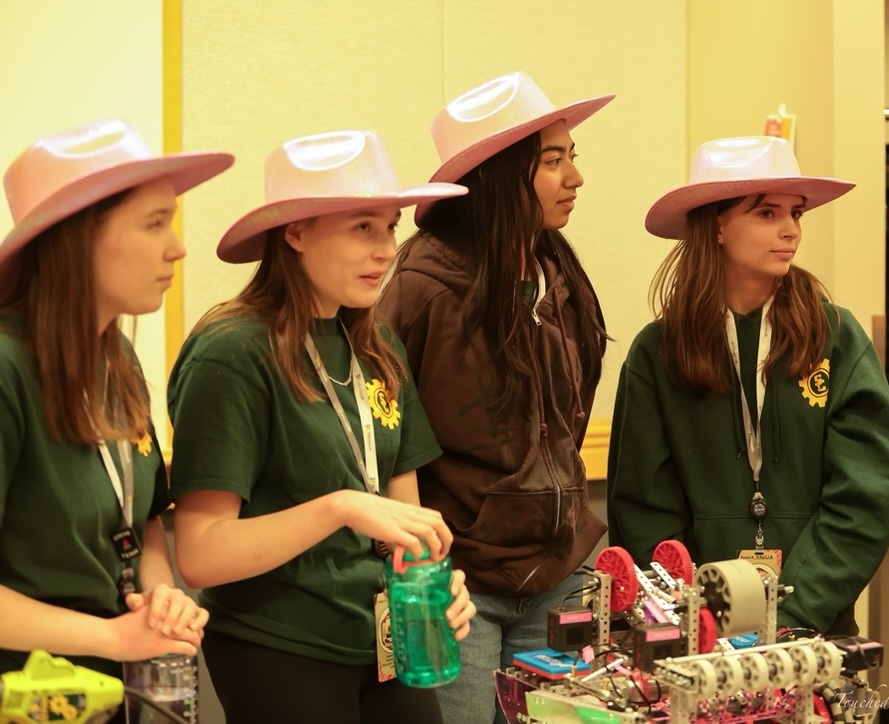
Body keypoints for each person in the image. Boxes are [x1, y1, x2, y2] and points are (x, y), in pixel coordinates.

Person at [166, 129, 475, 723]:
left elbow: (405, 524)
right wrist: (340, 507)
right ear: (296, 232)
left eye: (390, 225)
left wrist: (438, 587)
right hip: (281, 645)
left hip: (387, 642)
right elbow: (202, 554)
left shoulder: (378, 343)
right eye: (363, 226)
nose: (386, 249)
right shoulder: (232, 351)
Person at [379, 71, 613, 724]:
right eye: (553, 160)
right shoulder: (422, 289)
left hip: (558, 575)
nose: (575, 178)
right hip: (457, 589)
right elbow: (389, 442)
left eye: (573, 157)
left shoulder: (560, 275)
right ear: (499, 175)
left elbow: (568, 423)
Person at [607, 136, 889, 637]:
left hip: (814, 628)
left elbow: (864, 495)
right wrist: (694, 617)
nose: (791, 230)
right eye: (767, 213)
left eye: (796, 213)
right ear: (716, 224)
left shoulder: (837, 336)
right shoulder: (656, 352)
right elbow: (643, 512)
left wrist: (794, 613)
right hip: (697, 639)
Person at [0, 119, 233, 689]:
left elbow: (146, 516)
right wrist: (110, 637)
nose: (177, 248)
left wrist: (159, 594)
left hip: (116, 677)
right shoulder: (6, 367)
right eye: (155, 224)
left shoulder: (117, 356)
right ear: (76, 237)